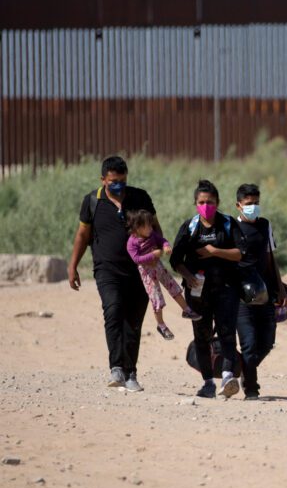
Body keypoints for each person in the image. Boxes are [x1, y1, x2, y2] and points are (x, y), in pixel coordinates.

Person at [67, 156, 157, 392]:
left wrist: (158, 252)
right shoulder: (92, 201)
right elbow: (82, 235)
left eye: (122, 180)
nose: (118, 185)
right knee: (113, 309)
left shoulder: (140, 198)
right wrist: (73, 265)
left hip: (140, 270)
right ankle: (116, 367)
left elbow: (155, 228)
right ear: (103, 180)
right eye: (113, 181)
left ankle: (131, 372)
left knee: (133, 322)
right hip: (107, 269)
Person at [170, 180, 242, 399]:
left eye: (210, 202)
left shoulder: (228, 224)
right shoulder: (190, 227)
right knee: (202, 336)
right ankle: (208, 382)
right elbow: (175, 259)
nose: (206, 206)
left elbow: (240, 253)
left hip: (226, 289)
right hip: (198, 292)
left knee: (227, 333)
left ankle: (228, 377)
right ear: (195, 203)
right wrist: (188, 275)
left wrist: (214, 251)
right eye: (201, 202)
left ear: (217, 202)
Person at [233, 183, 287, 399]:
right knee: (248, 343)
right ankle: (252, 389)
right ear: (238, 205)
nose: (253, 207)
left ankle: (243, 370)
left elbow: (270, 258)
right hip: (241, 297)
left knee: (266, 342)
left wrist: (280, 288)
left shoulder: (265, 225)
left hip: (265, 293)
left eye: (256, 203)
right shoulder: (230, 228)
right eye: (249, 203)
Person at [125, 209, 202, 340]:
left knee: (174, 287)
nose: (151, 228)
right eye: (148, 226)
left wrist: (166, 246)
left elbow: (161, 240)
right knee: (156, 299)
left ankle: (187, 310)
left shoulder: (151, 235)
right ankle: (161, 325)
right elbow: (136, 259)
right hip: (148, 274)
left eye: (151, 225)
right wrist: (152, 255)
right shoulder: (131, 243)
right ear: (138, 227)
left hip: (159, 267)